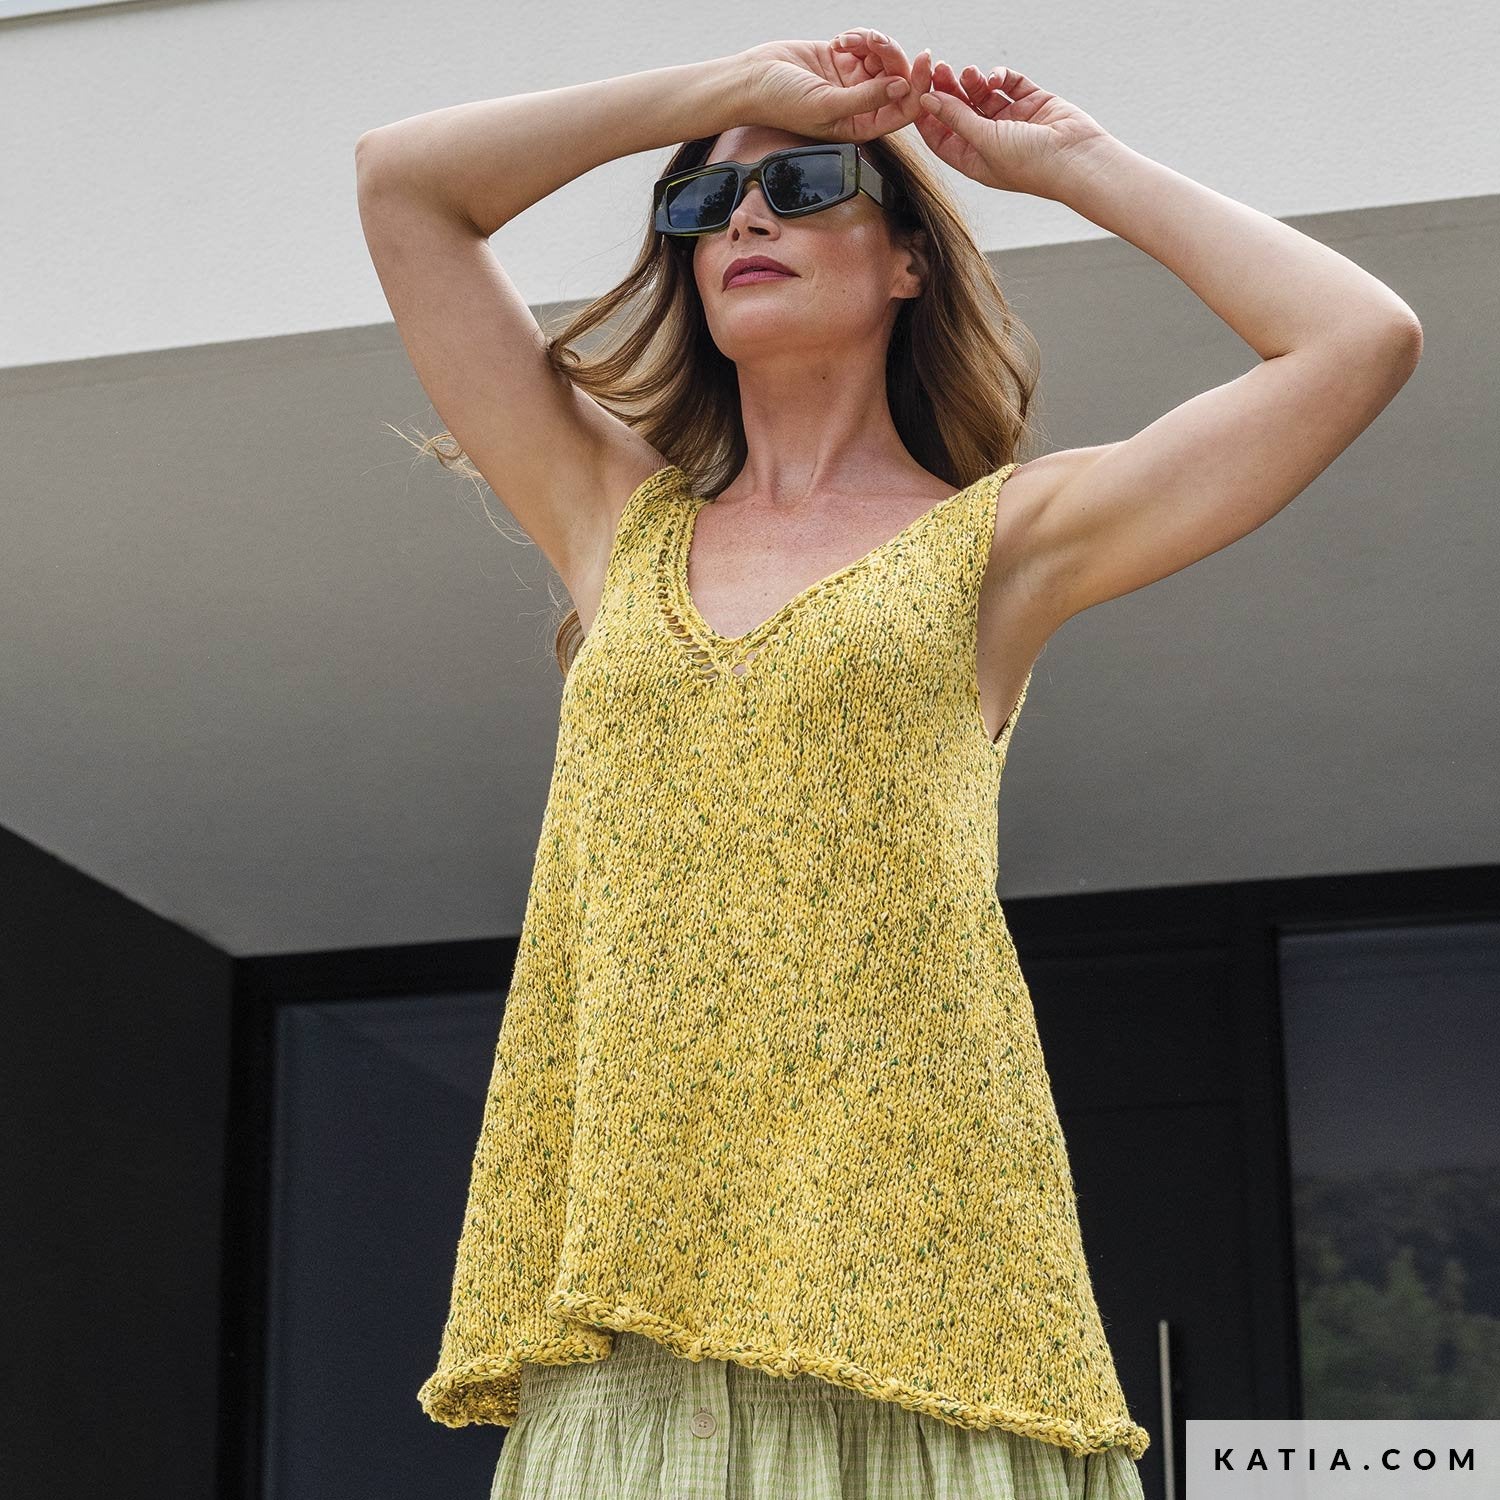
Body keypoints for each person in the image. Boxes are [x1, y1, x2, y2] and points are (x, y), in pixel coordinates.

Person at [355, 29, 1422, 1500]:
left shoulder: (1004, 544)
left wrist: (1076, 164)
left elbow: (1358, 340)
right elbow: (404, 186)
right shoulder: (608, 515)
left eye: (802, 186)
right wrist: (727, 91)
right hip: (634, 1313)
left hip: (937, 1311)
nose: (745, 217)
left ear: (909, 258)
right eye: (705, 203)